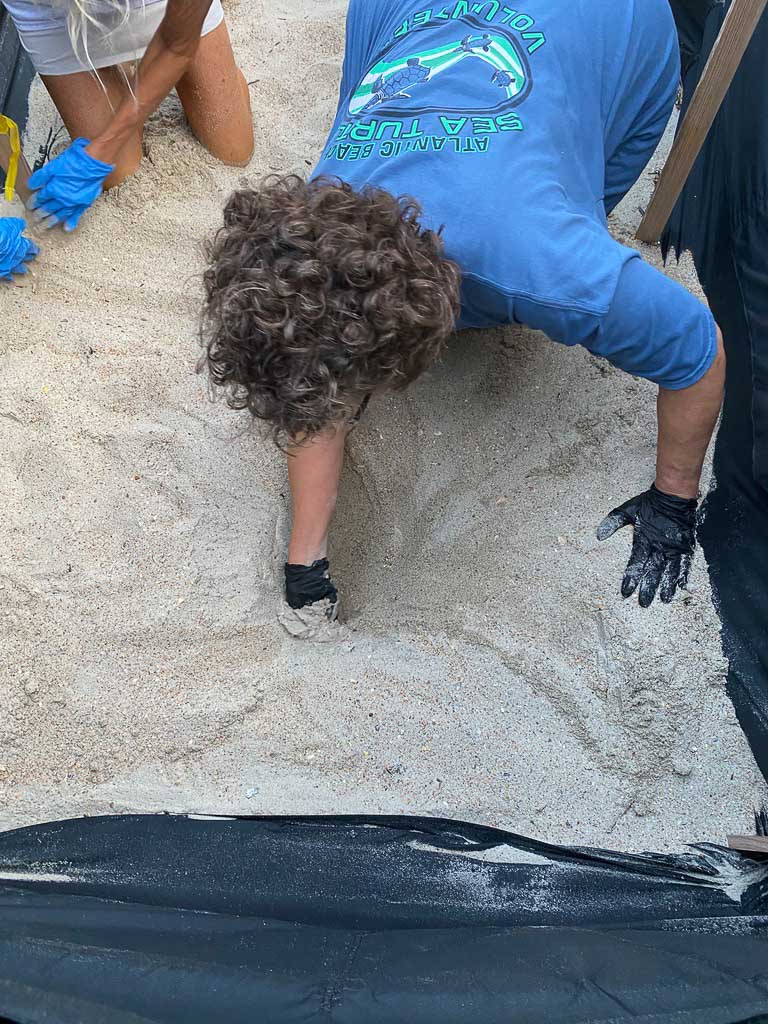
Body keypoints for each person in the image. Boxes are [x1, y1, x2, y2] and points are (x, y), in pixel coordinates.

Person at [200, 0, 725, 628]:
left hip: (622, 18)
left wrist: (673, 502)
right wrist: (304, 565)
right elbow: (310, 384)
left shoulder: (544, 265)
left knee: (582, 182)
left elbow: (698, 351)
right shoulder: (319, 208)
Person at [2, 0, 254, 230]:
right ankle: (121, 76)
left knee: (234, 150)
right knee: (118, 174)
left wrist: (102, 150)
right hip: (53, 14)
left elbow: (177, 45)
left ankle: (190, 70)